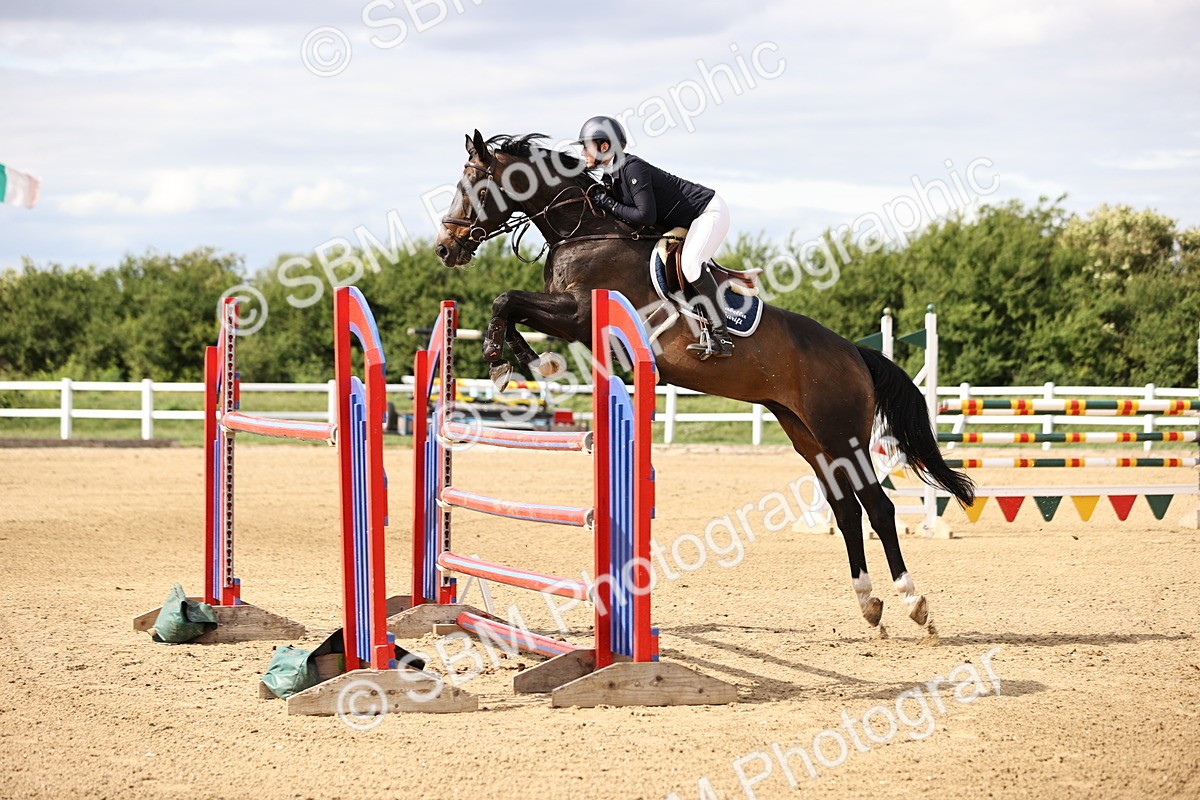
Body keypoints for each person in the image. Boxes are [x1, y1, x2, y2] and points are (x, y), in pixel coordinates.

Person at [576, 115, 733, 358]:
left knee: (691, 266)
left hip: (708, 212)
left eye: (586, 146)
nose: (583, 152)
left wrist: (606, 202)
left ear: (604, 146)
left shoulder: (631, 168)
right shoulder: (612, 176)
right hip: (685, 221)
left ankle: (722, 336)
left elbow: (645, 216)